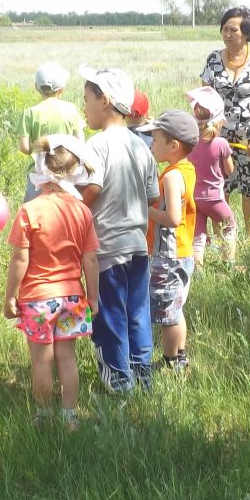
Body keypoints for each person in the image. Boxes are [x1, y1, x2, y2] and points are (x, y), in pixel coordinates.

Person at [4, 136, 100, 428]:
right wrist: (93, 298)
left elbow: (20, 259)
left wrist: (11, 295)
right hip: (72, 296)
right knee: (67, 358)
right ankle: (70, 415)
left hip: (37, 298)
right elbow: (90, 260)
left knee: (42, 360)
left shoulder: (29, 211)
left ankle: (43, 416)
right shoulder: (82, 211)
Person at [78, 66, 159, 393]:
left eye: (86, 99)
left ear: (106, 101)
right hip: (138, 246)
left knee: (110, 316)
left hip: (108, 248)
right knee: (138, 312)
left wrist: (75, 208)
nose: (83, 106)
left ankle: (118, 381)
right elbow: (154, 196)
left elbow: (93, 188)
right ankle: (143, 375)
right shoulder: (142, 145)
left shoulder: (97, 145)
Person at [199, 6, 250, 242]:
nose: (227, 34)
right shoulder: (213, 59)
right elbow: (203, 97)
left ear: (246, 33)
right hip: (217, 137)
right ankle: (223, 239)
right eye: (224, 28)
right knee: (218, 188)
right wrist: (203, 129)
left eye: (233, 29)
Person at [140, 109, 200, 370]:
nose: (151, 145)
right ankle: (180, 358)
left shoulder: (172, 176)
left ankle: (169, 362)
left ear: (173, 145)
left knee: (168, 315)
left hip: (169, 255)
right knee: (175, 309)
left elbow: (173, 218)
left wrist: (145, 210)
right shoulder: (186, 169)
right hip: (180, 253)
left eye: (155, 140)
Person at [185, 85, 236, 270]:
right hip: (214, 198)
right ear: (219, 121)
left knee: (198, 237)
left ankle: (197, 271)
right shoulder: (221, 143)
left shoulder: (190, 144)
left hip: (195, 198)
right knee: (230, 227)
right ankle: (228, 266)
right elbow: (229, 171)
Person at [18, 63, 84, 200]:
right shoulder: (71, 109)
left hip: (38, 174)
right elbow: (80, 141)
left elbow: (24, 147)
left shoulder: (30, 113)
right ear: (61, 89)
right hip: (66, 173)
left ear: (36, 87)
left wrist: (38, 148)